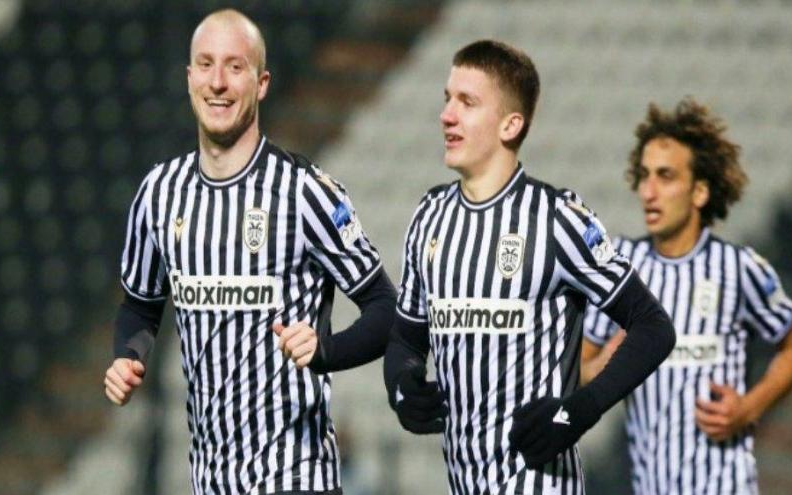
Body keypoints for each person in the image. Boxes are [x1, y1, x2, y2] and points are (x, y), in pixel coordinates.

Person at [102, 9, 397, 494]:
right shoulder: (159, 193)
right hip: (210, 482)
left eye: (235, 67)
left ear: (261, 84)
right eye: (206, 64)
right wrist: (127, 357)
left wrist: (326, 351)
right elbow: (140, 305)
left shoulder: (304, 192)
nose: (218, 82)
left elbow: (386, 308)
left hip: (296, 478)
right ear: (189, 78)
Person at [382, 39, 677, 494]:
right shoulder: (430, 216)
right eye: (447, 99)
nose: (446, 115)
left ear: (510, 124)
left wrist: (578, 411)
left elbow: (653, 326)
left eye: (467, 102)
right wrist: (402, 385)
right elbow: (406, 336)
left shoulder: (558, 219)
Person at [580, 98, 792, 494]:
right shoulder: (620, 269)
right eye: (644, 176)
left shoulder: (739, 267)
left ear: (700, 191)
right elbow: (582, 367)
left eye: (665, 176)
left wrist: (749, 408)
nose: (648, 191)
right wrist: (606, 364)